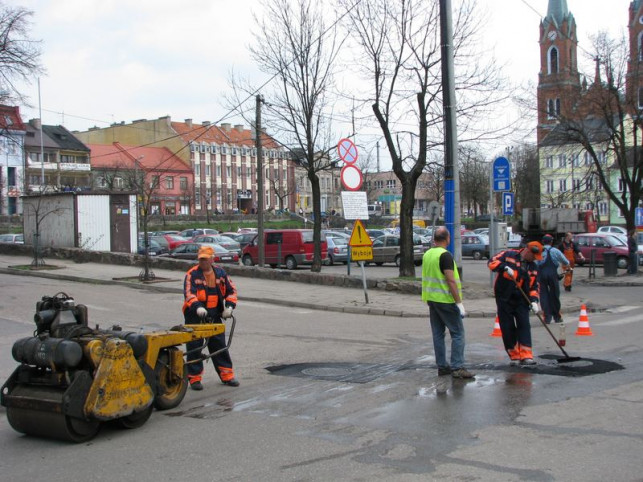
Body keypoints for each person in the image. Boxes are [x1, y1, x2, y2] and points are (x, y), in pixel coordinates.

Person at [183, 245, 239, 390]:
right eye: (201, 259)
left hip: (214, 315)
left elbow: (231, 291)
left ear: (212, 259)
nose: (203, 262)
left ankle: (227, 376)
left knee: (219, 346)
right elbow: (189, 294)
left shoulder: (220, 273)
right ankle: (194, 379)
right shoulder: (192, 274)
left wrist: (230, 307)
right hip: (195, 316)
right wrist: (198, 307)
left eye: (206, 259)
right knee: (194, 347)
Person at [421, 226, 474, 379]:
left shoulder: (428, 254)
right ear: (447, 239)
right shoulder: (445, 256)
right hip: (446, 300)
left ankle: (442, 366)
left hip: (432, 299)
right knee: (457, 333)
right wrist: (459, 303)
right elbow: (450, 280)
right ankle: (457, 367)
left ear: (434, 239)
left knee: (438, 334)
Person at [488, 241, 543, 366]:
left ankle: (526, 355)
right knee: (507, 328)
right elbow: (491, 262)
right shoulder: (508, 255)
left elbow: (534, 286)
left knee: (524, 325)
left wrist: (534, 301)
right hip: (504, 298)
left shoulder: (533, 267)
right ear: (528, 251)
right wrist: (504, 267)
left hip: (522, 300)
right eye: (534, 256)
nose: (535, 259)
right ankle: (514, 356)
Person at [538, 234, 570, 324]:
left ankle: (547, 318)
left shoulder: (539, 251)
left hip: (542, 276)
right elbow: (566, 262)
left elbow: (535, 263)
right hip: (553, 275)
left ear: (543, 242)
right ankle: (557, 317)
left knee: (543, 295)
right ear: (551, 242)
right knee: (555, 295)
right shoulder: (555, 251)